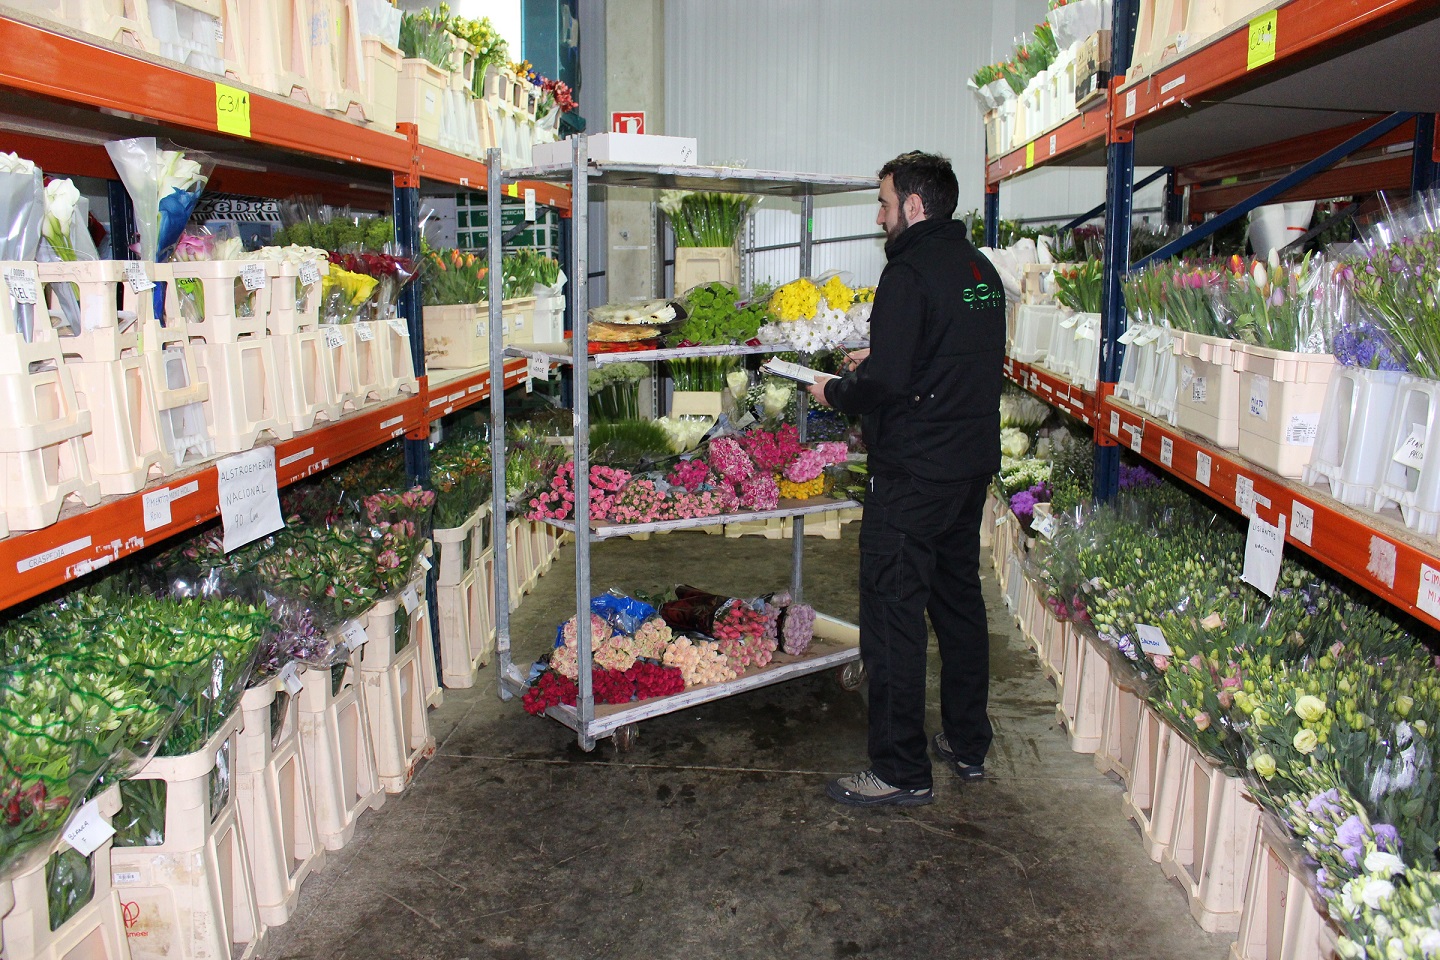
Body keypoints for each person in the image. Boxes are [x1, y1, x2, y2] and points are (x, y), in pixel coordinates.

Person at [808, 151, 1005, 807]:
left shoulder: (907, 273)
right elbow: (951, 345)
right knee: (957, 604)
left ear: (915, 206)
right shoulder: (979, 271)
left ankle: (899, 768)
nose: (879, 215)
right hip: (967, 466)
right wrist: (884, 356)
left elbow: (888, 382)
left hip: (914, 475)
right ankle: (968, 743)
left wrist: (837, 388)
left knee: (893, 613)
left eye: (885, 203)